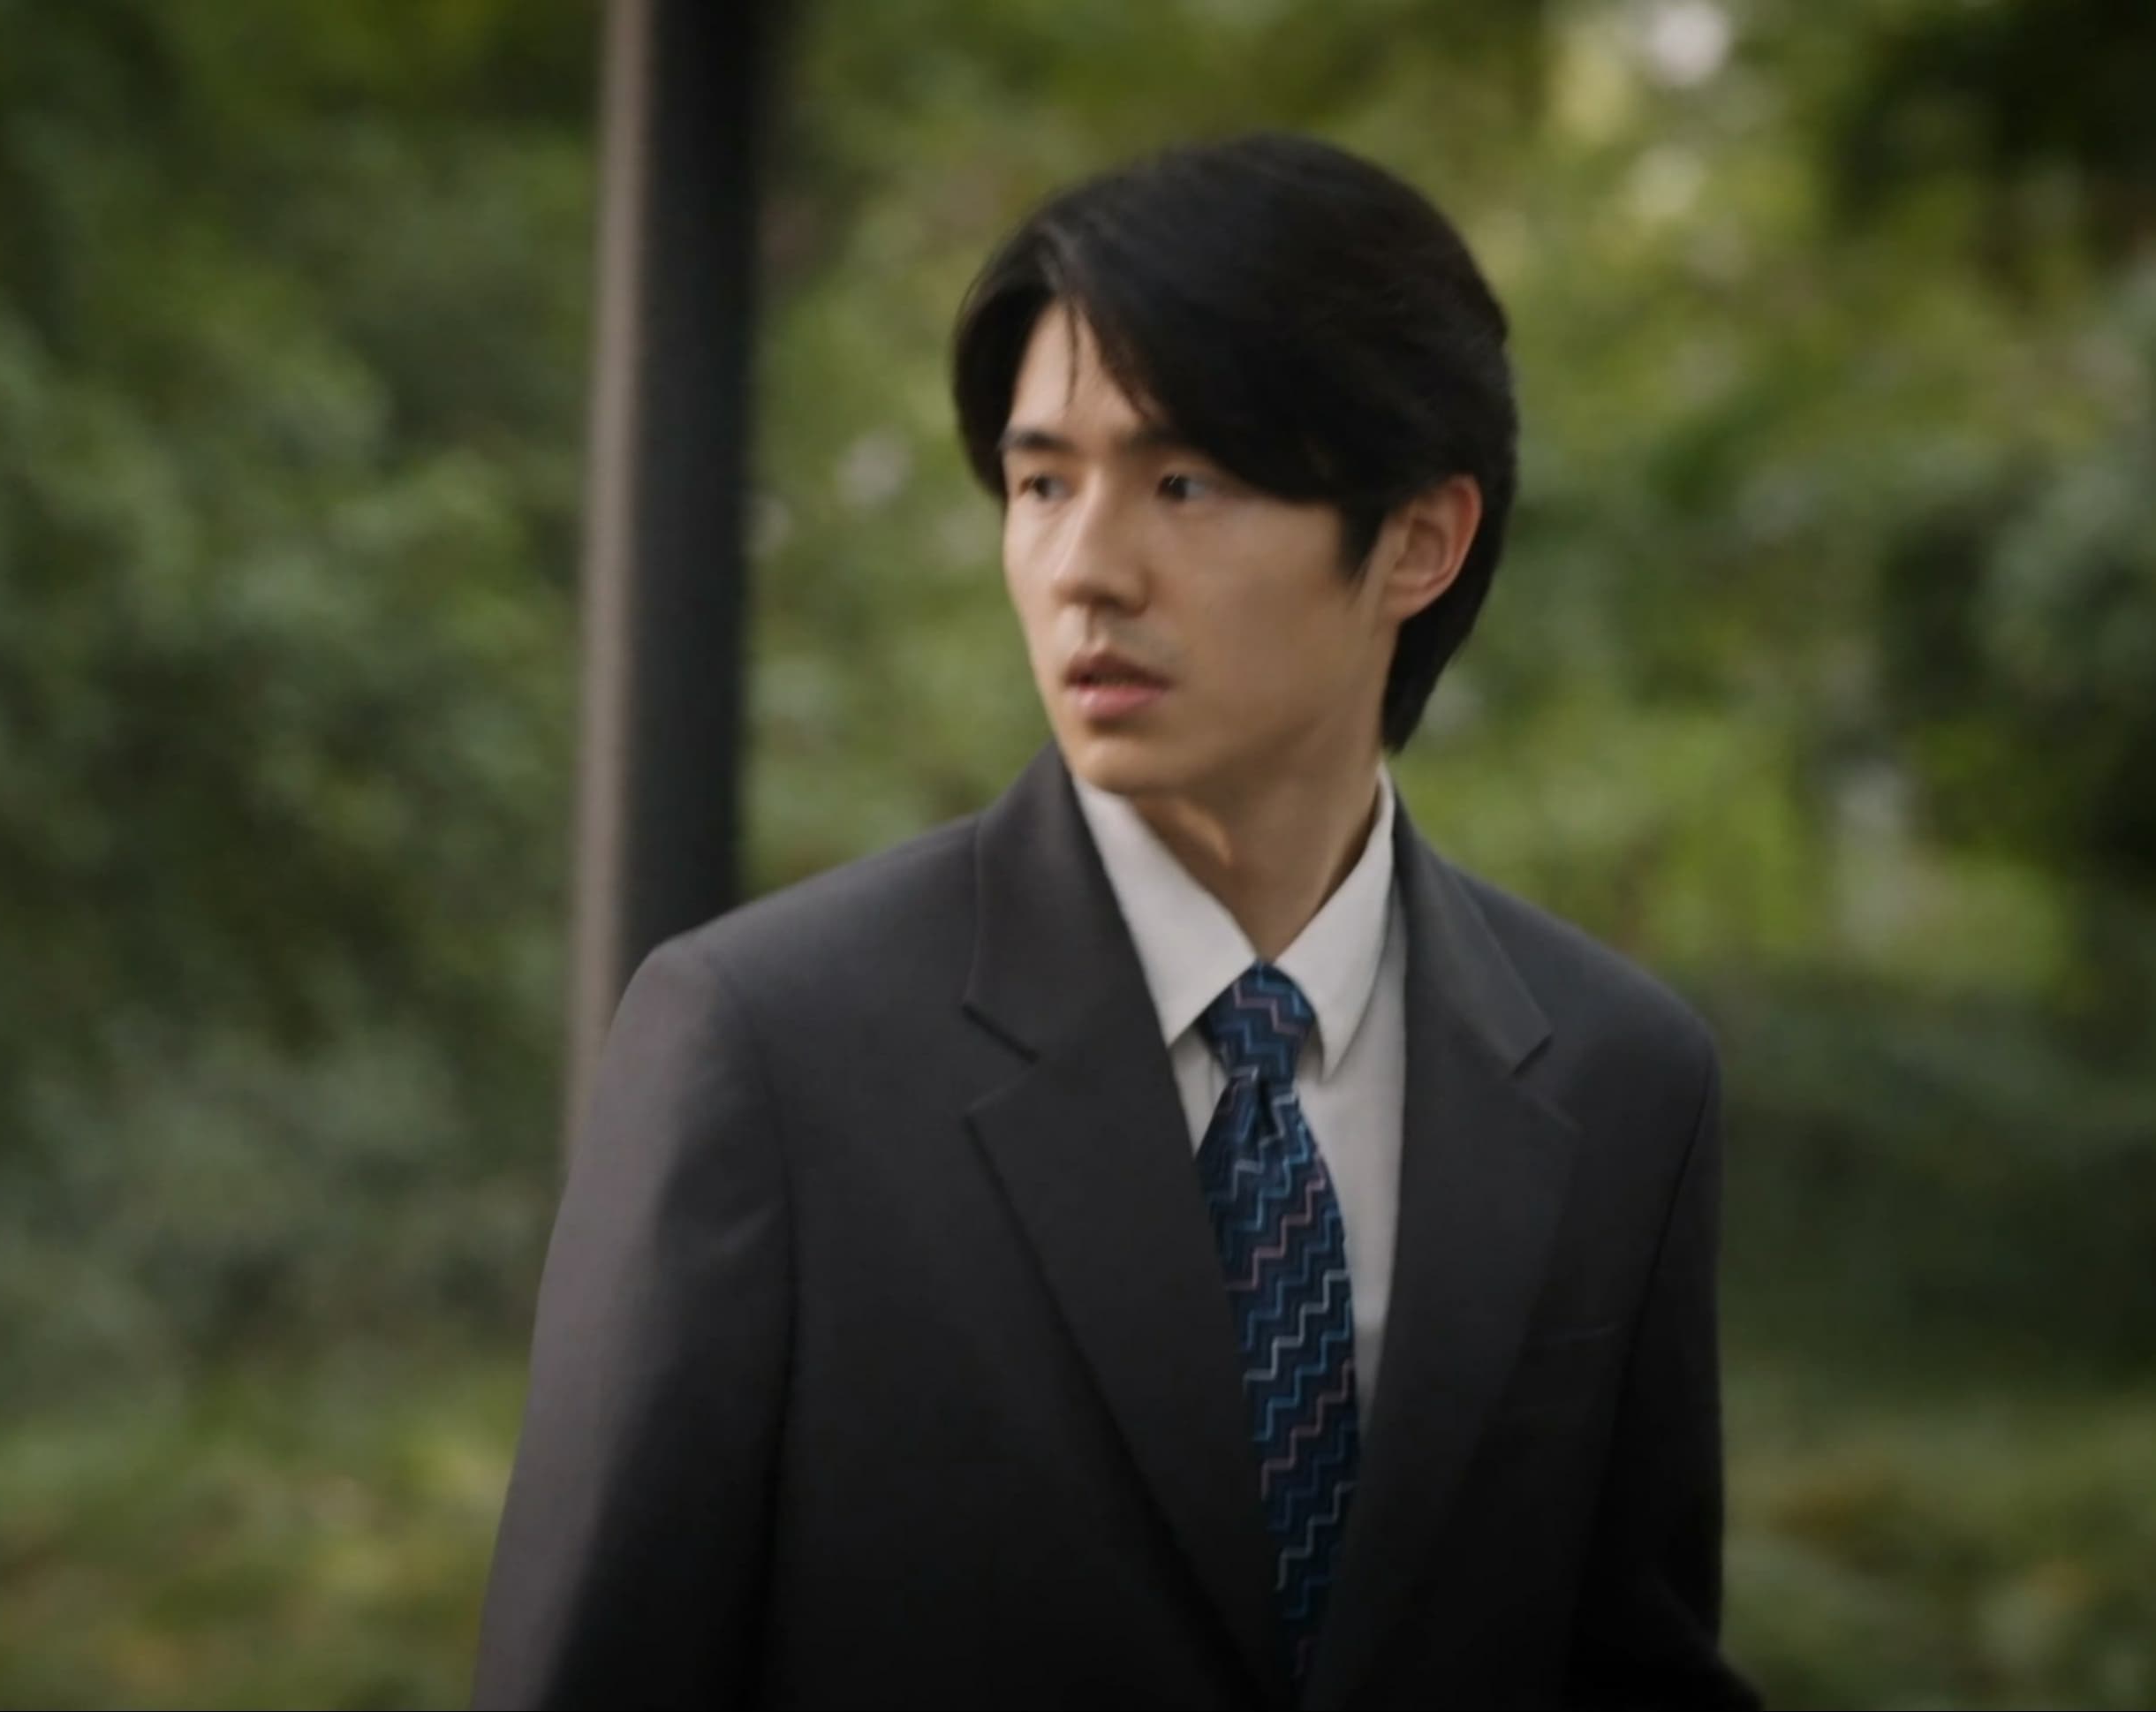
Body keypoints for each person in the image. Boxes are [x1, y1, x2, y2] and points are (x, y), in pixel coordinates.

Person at [474, 133, 1757, 1708]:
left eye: (1182, 482)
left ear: (1419, 540)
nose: (1083, 568)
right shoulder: (769, 1050)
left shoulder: (1619, 1082)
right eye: (1039, 483)